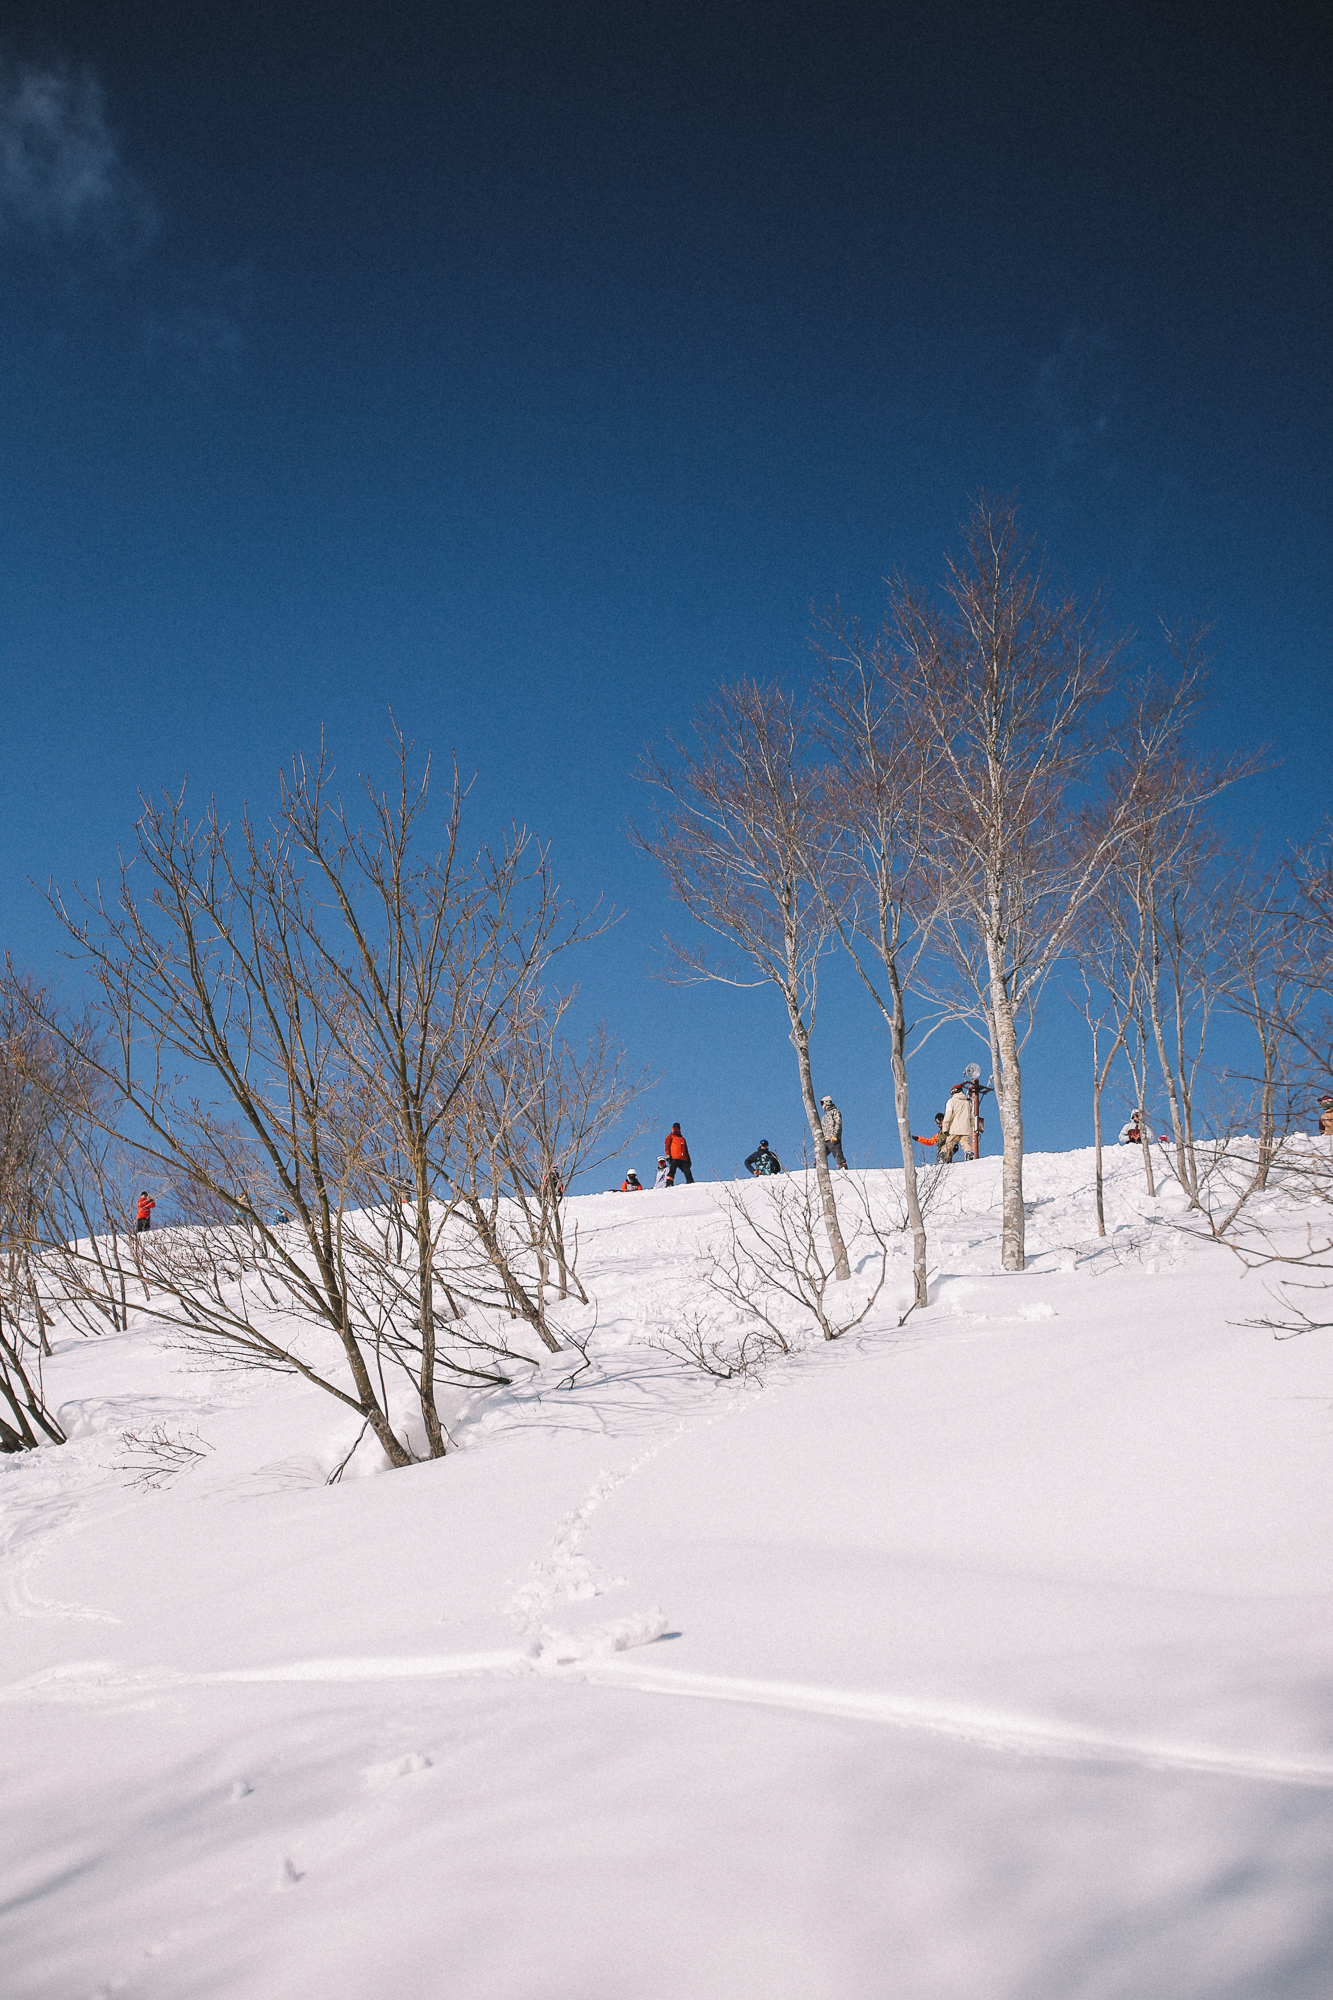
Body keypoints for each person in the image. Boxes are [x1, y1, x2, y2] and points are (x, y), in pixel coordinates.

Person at [938, 1084, 975, 1164]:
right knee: (965, 1143)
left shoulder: (951, 1101)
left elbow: (948, 1115)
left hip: (954, 1128)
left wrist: (945, 1128)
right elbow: (972, 1117)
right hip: (965, 1128)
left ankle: (943, 1155)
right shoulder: (967, 1103)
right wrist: (971, 1127)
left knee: (949, 1143)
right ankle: (968, 1153)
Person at [819, 1096, 846, 1169]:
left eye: (823, 1103)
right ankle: (818, 1169)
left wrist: (835, 1135)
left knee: (837, 1153)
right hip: (825, 1139)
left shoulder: (835, 1112)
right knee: (820, 1155)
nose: (822, 1106)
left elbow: (838, 1123)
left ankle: (843, 1167)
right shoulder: (824, 1117)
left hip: (832, 1137)